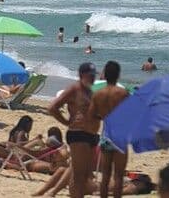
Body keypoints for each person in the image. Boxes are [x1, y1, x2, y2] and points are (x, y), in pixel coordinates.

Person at [46, 62, 97, 198]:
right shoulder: (74, 89)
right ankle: (55, 193)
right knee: (78, 171)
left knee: (83, 171)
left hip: (91, 134)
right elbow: (52, 107)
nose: (93, 78)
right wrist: (66, 122)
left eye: (94, 75)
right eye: (90, 75)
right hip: (78, 133)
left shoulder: (90, 92)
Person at [90, 61, 131, 198]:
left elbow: (92, 115)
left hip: (106, 135)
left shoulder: (98, 94)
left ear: (105, 75)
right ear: (118, 75)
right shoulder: (123, 93)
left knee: (105, 175)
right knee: (118, 175)